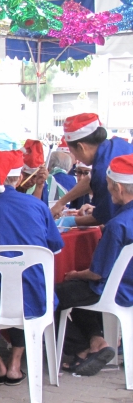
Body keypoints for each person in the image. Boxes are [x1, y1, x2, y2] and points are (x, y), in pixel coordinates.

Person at [0, 149, 63, 384]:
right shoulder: (39, 208)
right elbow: (55, 250)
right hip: (35, 299)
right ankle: (15, 363)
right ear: (19, 180)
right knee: (25, 287)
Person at [55, 154, 133, 376]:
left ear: (118, 187)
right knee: (74, 293)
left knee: (47, 295)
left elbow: (97, 274)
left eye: (107, 185)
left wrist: (74, 273)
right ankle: (97, 342)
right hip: (128, 284)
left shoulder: (117, 225)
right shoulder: (121, 220)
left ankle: (81, 348)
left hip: (114, 289)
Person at [50, 113, 133, 226]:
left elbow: (106, 217)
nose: (75, 158)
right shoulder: (117, 144)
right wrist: (61, 203)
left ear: (81, 147)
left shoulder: (104, 169)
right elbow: (90, 179)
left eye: (73, 152)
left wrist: (70, 221)